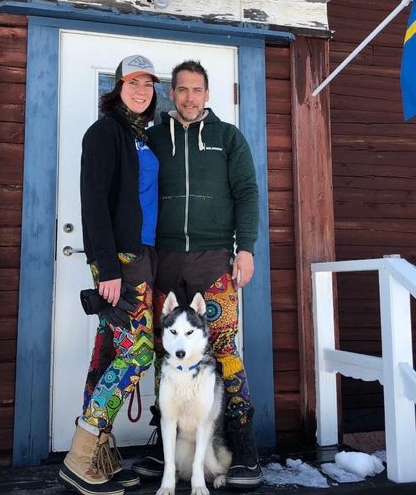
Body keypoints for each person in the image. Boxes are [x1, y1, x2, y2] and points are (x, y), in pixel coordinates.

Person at [132, 60, 263, 489]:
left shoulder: (228, 138)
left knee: (222, 347)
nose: (189, 97)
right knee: (164, 347)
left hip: (213, 260)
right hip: (164, 259)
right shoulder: (151, 140)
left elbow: (246, 192)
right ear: (173, 94)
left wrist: (245, 248)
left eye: (197, 90)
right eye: (182, 89)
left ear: (208, 94)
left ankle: (241, 446)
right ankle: (163, 440)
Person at [59, 55, 160, 495]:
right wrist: (106, 267)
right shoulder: (104, 133)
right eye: (133, 82)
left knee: (107, 357)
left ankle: (98, 456)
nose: (142, 90)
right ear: (117, 86)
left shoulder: (143, 136)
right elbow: (93, 202)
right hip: (122, 261)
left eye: (149, 84)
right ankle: (81, 458)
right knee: (137, 357)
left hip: (146, 257)